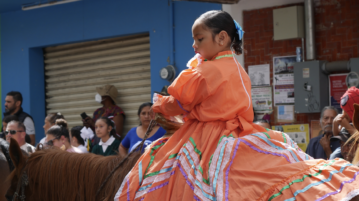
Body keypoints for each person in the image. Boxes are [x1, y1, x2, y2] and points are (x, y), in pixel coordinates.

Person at [115, 11, 359, 200]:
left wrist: (159, 105)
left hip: (207, 135)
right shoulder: (237, 68)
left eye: (199, 39)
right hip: (241, 130)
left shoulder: (206, 70)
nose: (194, 45)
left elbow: (179, 101)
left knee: (167, 169)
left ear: (221, 38)